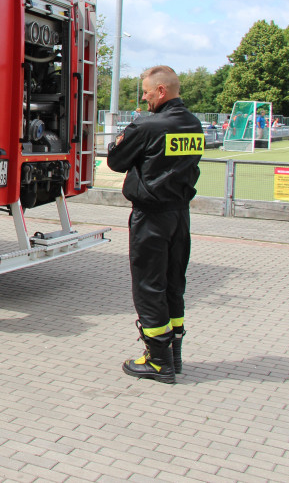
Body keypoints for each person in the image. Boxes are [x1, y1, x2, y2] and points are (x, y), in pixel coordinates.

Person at [106, 66, 202, 384]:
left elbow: (116, 160)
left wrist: (124, 139)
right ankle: (174, 353)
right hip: (180, 216)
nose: (144, 97)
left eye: (147, 91)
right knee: (174, 283)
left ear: (161, 91)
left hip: (151, 216)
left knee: (149, 286)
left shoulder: (148, 125)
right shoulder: (194, 123)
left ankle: (157, 361)